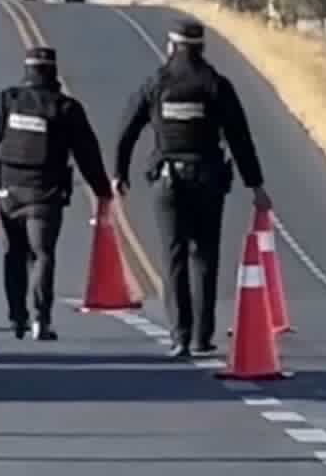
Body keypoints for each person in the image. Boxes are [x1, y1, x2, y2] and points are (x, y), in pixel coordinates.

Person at [112, 19, 271, 358]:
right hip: (208, 180)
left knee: (174, 257)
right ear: (201, 47)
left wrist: (118, 173)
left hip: (168, 181)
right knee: (205, 256)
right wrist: (255, 185)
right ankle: (201, 336)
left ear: (171, 46)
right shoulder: (216, 86)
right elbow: (240, 139)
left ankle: (179, 336)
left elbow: (128, 128)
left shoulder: (156, 84)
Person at [0, 46, 112, 340]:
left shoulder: (7, 102)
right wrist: (102, 190)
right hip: (45, 195)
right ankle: (41, 319)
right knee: (42, 254)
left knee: (13, 253)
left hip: (9, 193)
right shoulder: (66, 108)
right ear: (53, 71)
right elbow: (87, 153)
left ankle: (17, 318)